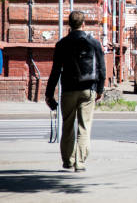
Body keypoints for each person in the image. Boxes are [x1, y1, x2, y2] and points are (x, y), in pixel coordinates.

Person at [45, 11, 106, 172]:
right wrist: (99, 89)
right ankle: (80, 162)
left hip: (68, 90)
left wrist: (49, 94)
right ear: (84, 24)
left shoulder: (62, 44)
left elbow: (55, 71)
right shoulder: (94, 43)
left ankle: (68, 161)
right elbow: (102, 68)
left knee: (67, 125)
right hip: (88, 89)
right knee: (84, 127)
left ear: (69, 25)